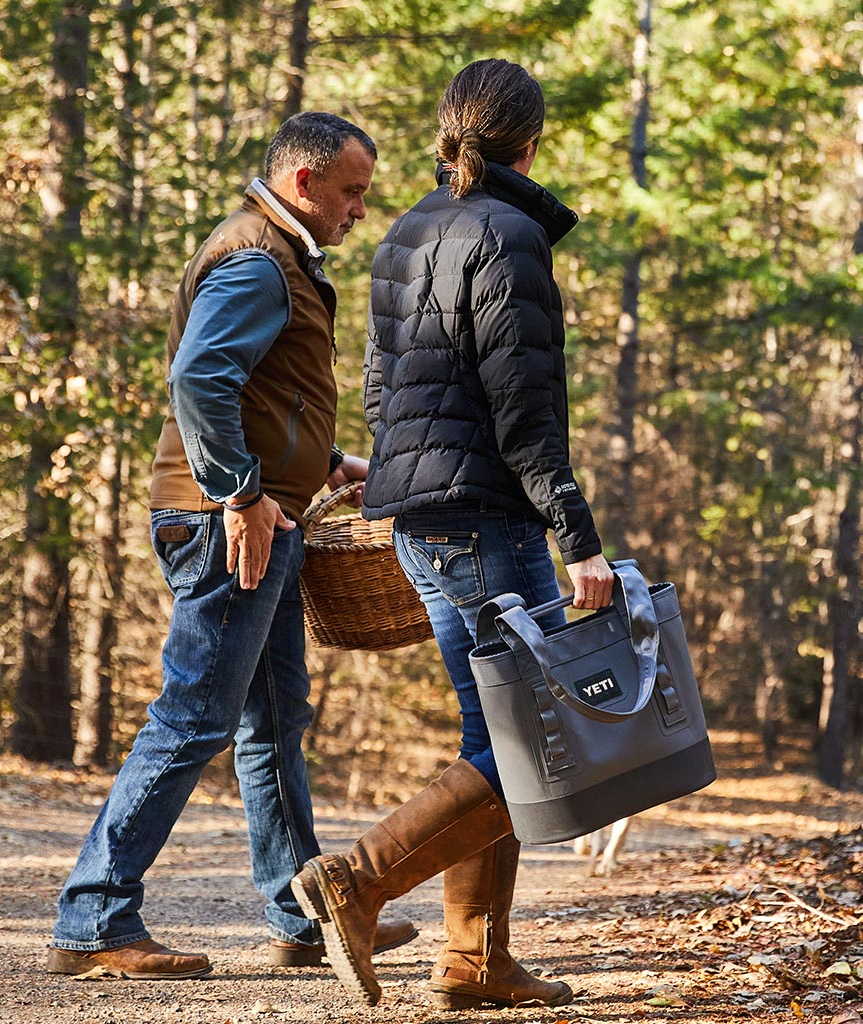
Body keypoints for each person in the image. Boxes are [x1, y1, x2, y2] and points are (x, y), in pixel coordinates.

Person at [48, 111, 417, 979]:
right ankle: (95, 917)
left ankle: (299, 916)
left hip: (260, 519)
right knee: (192, 718)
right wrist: (241, 493)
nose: (359, 209)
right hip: (228, 525)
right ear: (304, 183)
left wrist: (323, 463)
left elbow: (259, 391)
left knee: (274, 720)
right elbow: (199, 378)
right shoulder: (258, 259)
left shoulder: (273, 253)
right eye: (352, 192)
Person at [291, 60, 615, 1008]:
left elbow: (382, 389)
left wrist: (391, 486)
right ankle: (356, 880)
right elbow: (525, 414)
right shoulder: (510, 236)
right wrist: (578, 537)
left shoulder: (406, 232)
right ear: (529, 143)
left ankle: (473, 961)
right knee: (531, 738)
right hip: (487, 520)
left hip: (425, 522)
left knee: (500, 733)